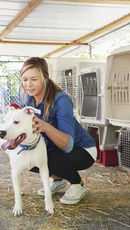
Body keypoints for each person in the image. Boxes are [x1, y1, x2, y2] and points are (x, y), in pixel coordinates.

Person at [20, 57, 97, 205]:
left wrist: (45, 126)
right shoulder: (28, 99)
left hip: (83, 150)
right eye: (24, 79)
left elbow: (68, 145)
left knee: (47, 155)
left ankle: (77, 184)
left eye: (34, 79)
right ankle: (58, 180)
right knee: (26, 155)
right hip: (57, 149)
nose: (28, 85)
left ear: (45, 78)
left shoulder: (61, 99)